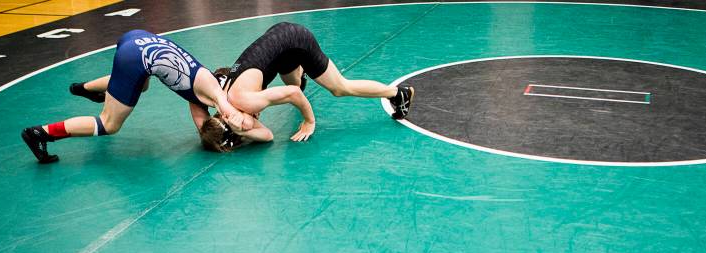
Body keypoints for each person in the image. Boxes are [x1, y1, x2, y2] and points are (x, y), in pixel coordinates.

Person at [21, 29, 256, 163]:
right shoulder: (215, 93)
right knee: (108, 124)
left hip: (137, 37)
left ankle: (86, 88)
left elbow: (203, 129)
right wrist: (244, 122)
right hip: (136, 59)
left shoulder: (203, 90)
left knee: (141, 86)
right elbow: (226, 108)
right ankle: (41, 133)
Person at [197, 22, 414, 150]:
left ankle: (397, 94)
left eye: (243, 130)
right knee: (295, 87)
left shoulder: (244, 101)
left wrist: (309, 121)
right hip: (279, 43)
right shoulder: (221, 97)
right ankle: (298, 73)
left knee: (339, 88)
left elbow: (290, 98)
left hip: (295, 41)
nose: (249, 127)